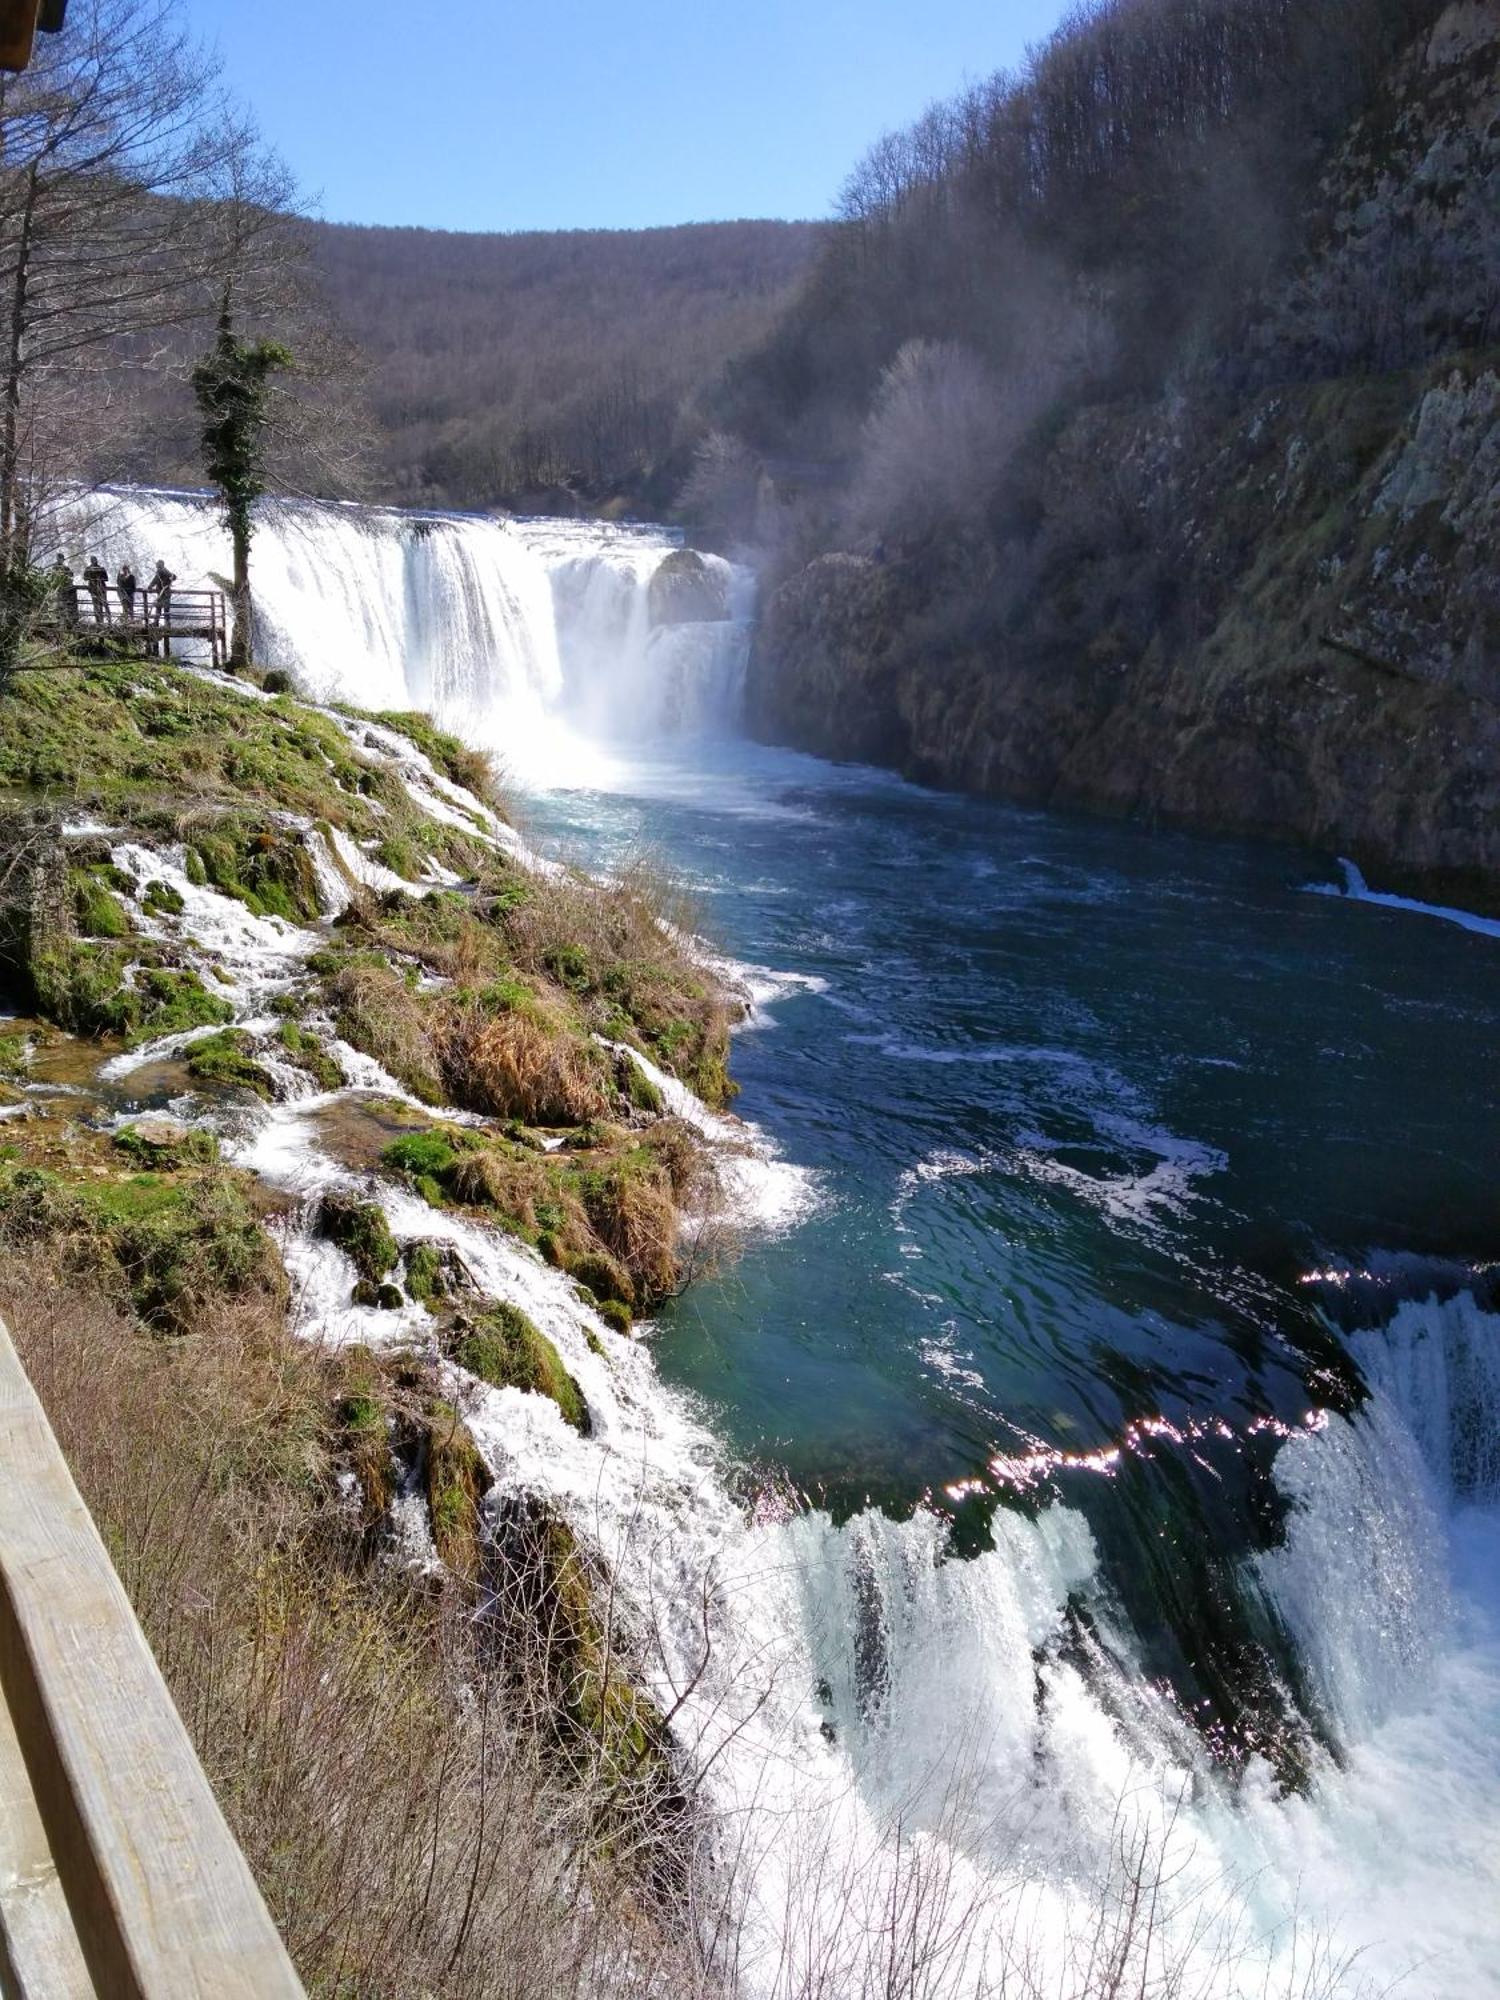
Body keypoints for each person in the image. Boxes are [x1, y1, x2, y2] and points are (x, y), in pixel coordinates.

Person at [147, 558, 175, 654]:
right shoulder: (163, 571)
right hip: (162, 592)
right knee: (161, 608)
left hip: (165, 593)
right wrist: (151, 586)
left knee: (163, 608)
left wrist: (150, 586)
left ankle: (161, 623)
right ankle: (160, 623)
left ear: (160, 565)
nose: (157, 566)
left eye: (158, 565)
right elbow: (157, 579)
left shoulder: (163, 570)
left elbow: (172, 576)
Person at [48, 554, 78, 628]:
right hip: (56, 589)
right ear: (57, 559)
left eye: (61, 559)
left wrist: (66, 574)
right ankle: (56, 622)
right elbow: (50, 576)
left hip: (65, 590)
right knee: (56, 605)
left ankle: (66, 622)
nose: (60, 560)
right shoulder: (54, 567)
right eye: (59, 558)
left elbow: (71, 575)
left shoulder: (66, 568)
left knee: (64, 606)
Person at [83, 554, 109, 625]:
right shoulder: (88, 568)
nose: (94, 561)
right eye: (93, 560)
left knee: (103, 604)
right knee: (96, 605)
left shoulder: (101, 568)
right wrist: (92, 578)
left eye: (95, 559)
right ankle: (99, 621)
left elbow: (106, 578)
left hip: (101, 588)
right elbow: (85, 578)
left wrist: (99, 578)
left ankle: (105, 621)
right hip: (94, 589)